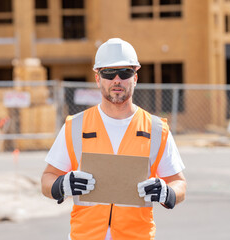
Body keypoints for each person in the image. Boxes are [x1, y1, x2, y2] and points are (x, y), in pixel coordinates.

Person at [41, 38, 186, 240]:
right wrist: (60, 185)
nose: (117, 80)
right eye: (108, 73)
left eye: (125, 73)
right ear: (98, 78)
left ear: (135, 77)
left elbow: (179, 182)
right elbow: (47, 178)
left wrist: (167, 193)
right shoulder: (75, 126)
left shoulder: (156, 129)